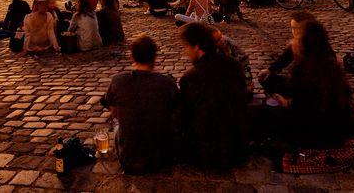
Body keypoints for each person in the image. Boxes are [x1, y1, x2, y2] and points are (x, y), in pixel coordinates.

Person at [254, 19, 354, 149]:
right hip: (336, 127)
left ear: (303, 43)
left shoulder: (303, 69)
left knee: (267, 111)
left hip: (314, 131)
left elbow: (303, 108)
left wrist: (285, 102)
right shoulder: (330, 63)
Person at [101, 34, 180, 174]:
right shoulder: (167, 83)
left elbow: (113, 110)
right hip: (162, 157)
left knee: (115, 125)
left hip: (129, 158)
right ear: (154, 58)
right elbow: (177, 113)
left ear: (132, 57)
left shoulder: (119, 81)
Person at [178, 22, 248, 170]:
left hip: (206, 152)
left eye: (186, 47)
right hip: (238, 146)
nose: (186, 52)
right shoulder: (234, 65)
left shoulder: (190, 77)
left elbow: (185, 116)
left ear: (196, 47)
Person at [258, 11, 317, 96]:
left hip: (310, 89)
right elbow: (285, 58)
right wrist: (270, 70)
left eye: (298, 29)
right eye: (293, 28)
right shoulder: (298, 43)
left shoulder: (317, 47)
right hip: (300, 83)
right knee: (265, 78)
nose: (294, 32)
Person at [208, 26, 252, 93]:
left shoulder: (230, 45)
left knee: (247, 94)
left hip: (239, 69)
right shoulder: (208, 48)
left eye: (221, 36)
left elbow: (242, 63)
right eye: (218, 40)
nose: (222, 40)